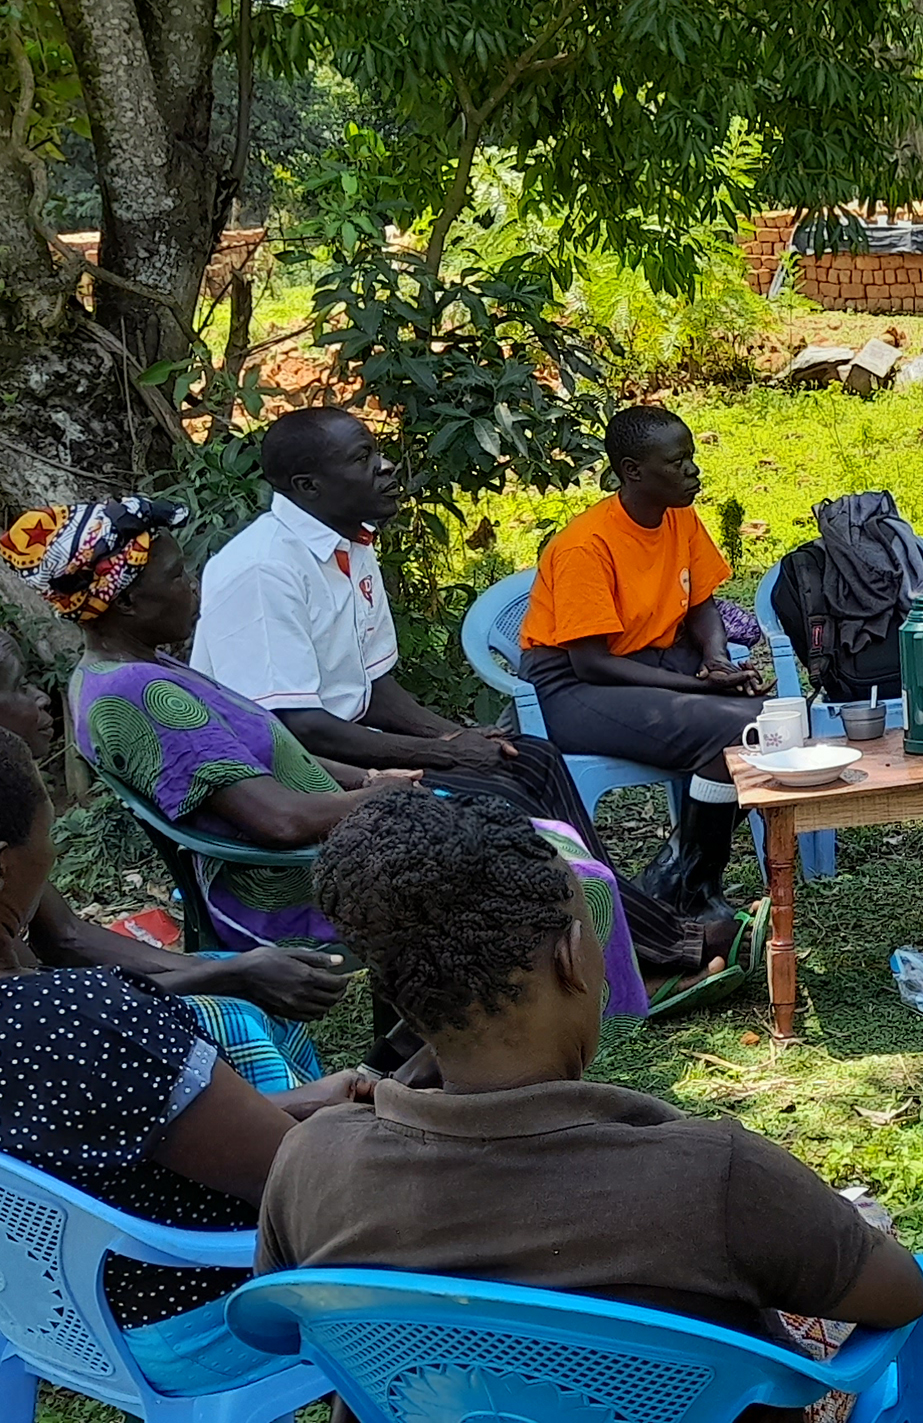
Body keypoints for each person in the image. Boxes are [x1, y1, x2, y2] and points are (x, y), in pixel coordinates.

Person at [258, 789, 923, 1388]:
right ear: (571, 957)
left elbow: (279, 1332)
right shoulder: (714, 1176)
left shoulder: (312, 1163)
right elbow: (901, 1294)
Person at [1, 499, 654, 1054]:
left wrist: (371, 775)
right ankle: (579, 1038)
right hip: (296, 883)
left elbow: (276, 760)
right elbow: (278, 818)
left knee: (534, 831)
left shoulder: (124, 673)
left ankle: (442, 1040)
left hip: (336, 846)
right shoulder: (141, 693)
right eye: (176, 575)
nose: (193, 583)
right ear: (129, 602)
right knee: (563, 871)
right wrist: (383, 793)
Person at [191, 407, 739, 1002]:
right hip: (298, 772)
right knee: (500, 800)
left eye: (377, 450)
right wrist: (438, 755)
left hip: (339, 747)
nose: (384, 467)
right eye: (361, 459)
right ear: (307, 487)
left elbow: (373, 689)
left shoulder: (350, 546)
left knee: (529, 758)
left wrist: (456, 738)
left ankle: (624, 942)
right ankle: (665, 948)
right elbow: (296, 726)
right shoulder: (264, 569)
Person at [0, 724, 370, 1396]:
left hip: (45, 1310)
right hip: (191, 1315)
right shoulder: (75, 1015)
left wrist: (305, 1104)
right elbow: (301, 1191)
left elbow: (99, 1149)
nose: (51, 854)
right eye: (46, 838)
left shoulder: (42, 1019)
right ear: (5, 866)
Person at [0, 628, 348, 1089]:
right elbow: (45, 1007)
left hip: (57, 1010)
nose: (41, 698)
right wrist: (229, 977)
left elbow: (66, 937)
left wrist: (226, 970)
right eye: (21, 686)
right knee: (235, 1020)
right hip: (46, 1045)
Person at [521, 406, 765, 927]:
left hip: (650, 660)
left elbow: (701, 602)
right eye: (677, 462)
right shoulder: (585, 545)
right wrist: (693, 688)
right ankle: (690, 890)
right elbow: (591, 663)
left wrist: (716, 660)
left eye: (692, 458)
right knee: (740, 729)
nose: (693, 471)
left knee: (774, 717)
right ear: (633, 471)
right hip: (571, 686)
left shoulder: (679, 516)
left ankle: (673, 881)